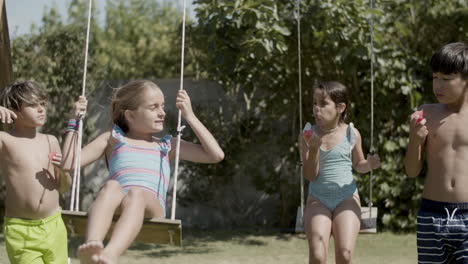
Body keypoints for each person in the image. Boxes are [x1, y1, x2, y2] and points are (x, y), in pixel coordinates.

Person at [61, 80, 224, 264]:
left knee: (136, 193)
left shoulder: (167, 145)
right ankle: (93, 246)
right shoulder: (112, 139)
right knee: (111, 185)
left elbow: (215, 155)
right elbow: (69, 163)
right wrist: (74, 121)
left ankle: (110, 254)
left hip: (151, 206)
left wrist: (190, 115)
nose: (162, 112)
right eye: (153, 107)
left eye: (162, 106)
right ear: (130, 115)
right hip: (119, 201)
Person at [298, 81, 380, 264]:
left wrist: (370, 164)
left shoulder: (352, 133)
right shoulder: (307, 135)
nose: (316, 109)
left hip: (346, 198)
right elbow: (311, 175)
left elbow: (359, 164)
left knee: (345, 254)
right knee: (318, 256)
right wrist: (314, 150)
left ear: (340, 107)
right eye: (314, 103)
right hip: (318, 199)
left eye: (323, 103)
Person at [404, 42, 468, 263]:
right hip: (432, 213)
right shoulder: (426, 114)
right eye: (435, 77)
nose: (437, 85)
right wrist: (415, 138)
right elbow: (411, 171)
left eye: (446, 79)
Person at [0, 81, 71, 264]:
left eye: (42, 104)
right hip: (22, 231)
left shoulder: (51, 140)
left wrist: (63, 172)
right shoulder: (6, 140)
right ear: (13, 111)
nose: (41, 109)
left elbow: (64, 188)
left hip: (54, 225)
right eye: (32, 105)